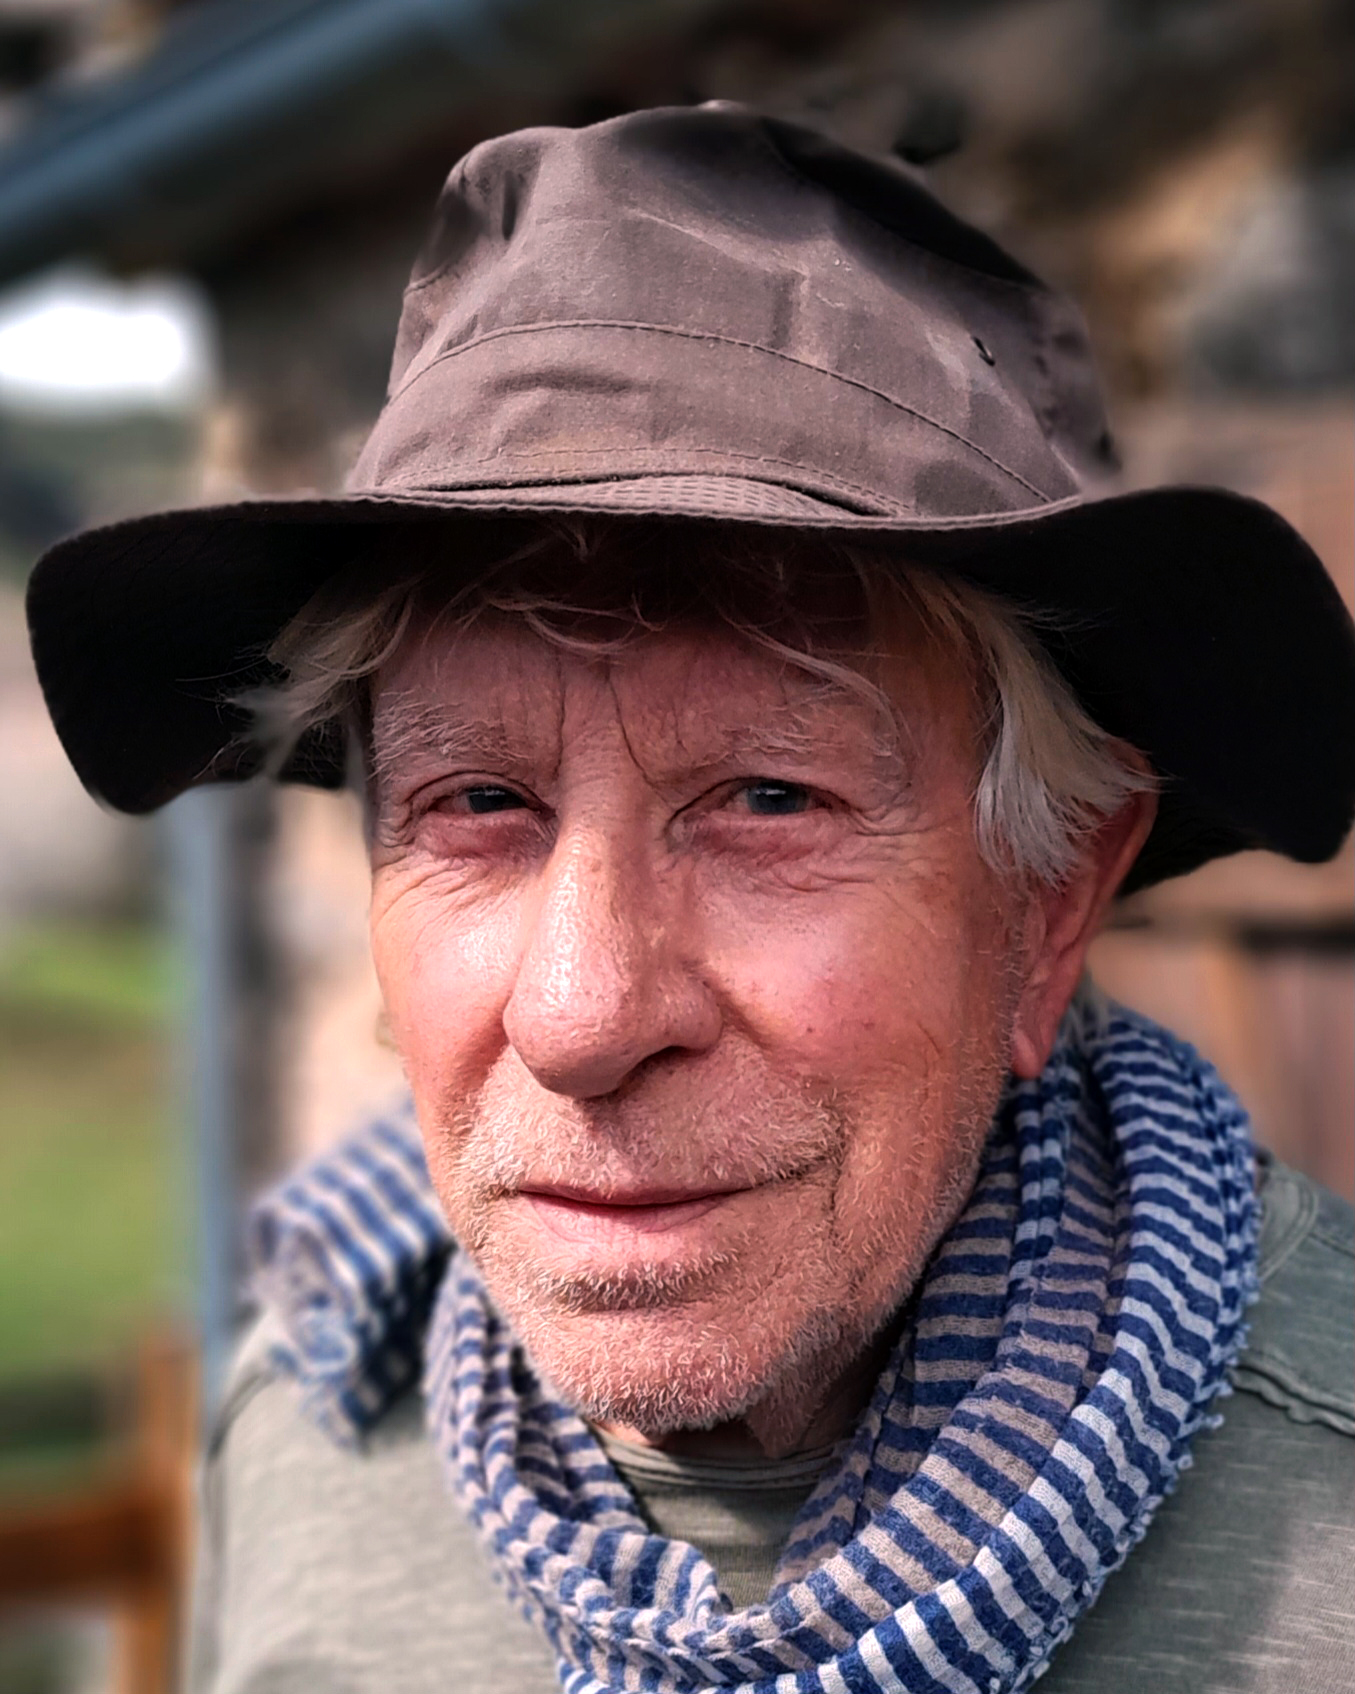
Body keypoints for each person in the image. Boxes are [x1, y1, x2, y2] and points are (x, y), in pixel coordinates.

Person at [26, 104, 1355, 1694]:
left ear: (1052, 899)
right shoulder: (314, 1435)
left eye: (768, 798)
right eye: (479, 803)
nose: (581, 1014)